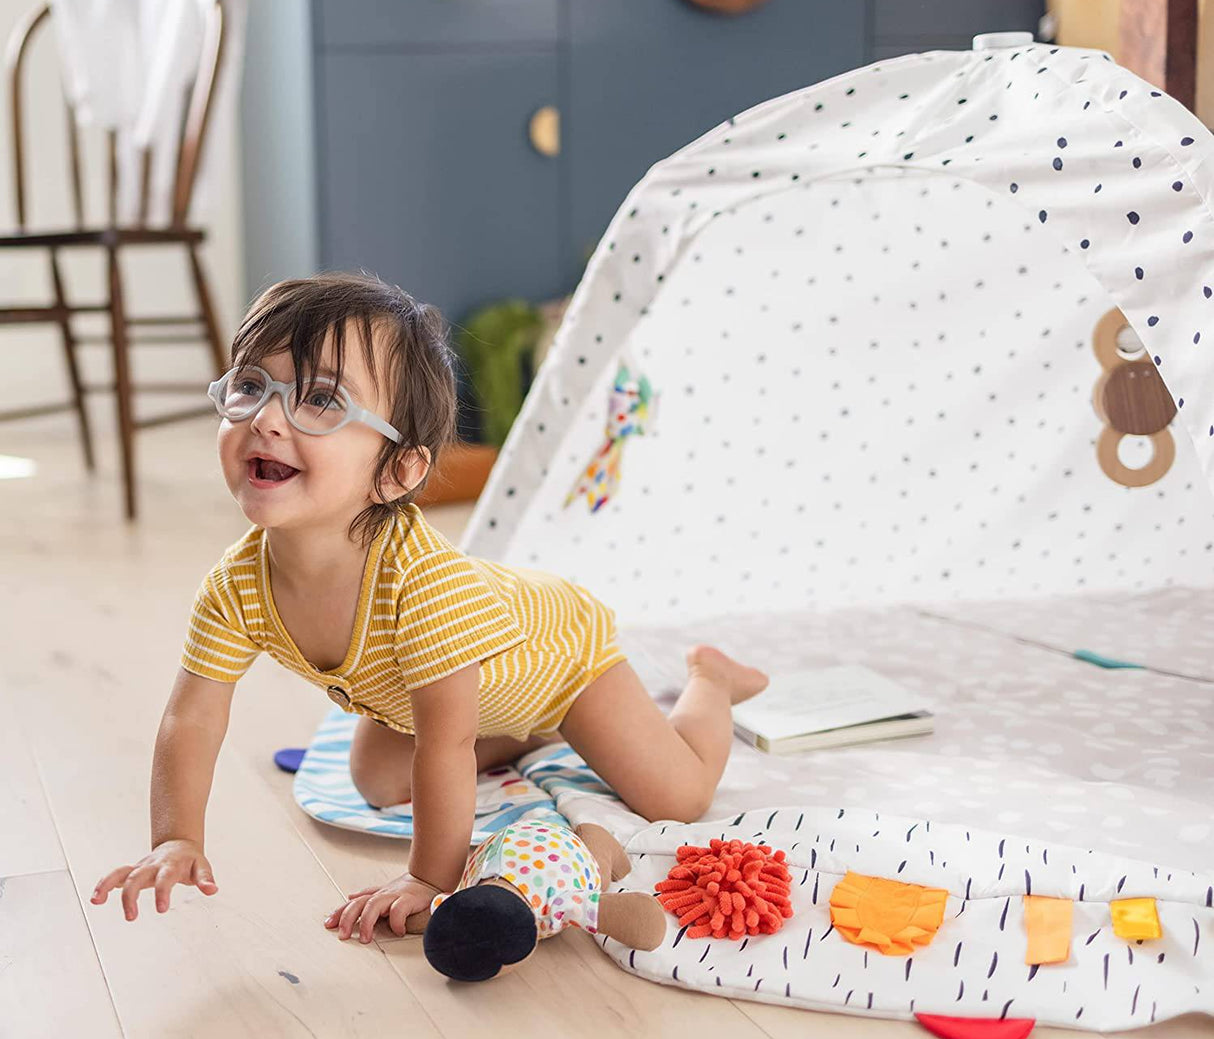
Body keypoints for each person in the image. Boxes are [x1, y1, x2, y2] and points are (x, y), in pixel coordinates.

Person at [91, 271, 768, 943]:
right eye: (249, 385)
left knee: (677, 797)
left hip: (563, 661)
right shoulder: (235, 584)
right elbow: (192, 714)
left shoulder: (422, 589)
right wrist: (174, 837)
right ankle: (522, 730)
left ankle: (710, 680)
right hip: (445, 686)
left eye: (321, 399)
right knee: (377, 780)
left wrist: (428, 880)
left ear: (398, 472)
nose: (266, 417)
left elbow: (444, 747)